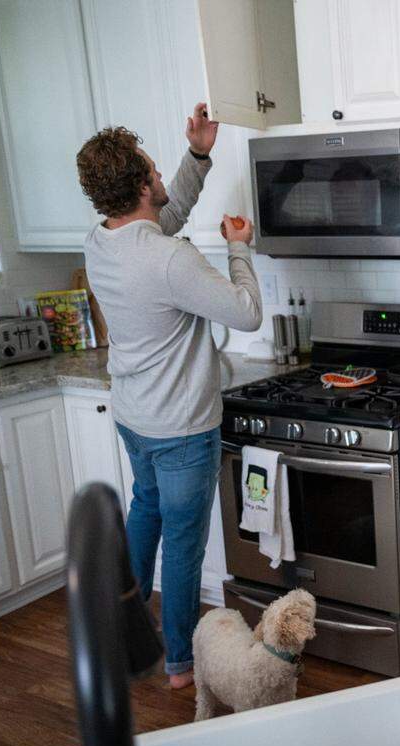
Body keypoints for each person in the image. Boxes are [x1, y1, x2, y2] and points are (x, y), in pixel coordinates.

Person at [76, 103, 262, 688]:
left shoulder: (101, 241)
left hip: (135, 417)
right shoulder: (170, 259)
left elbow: (165, 213)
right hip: (181, 427)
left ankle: (119, 637)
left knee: (146, 512)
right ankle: (181, 664)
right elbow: (248, 312)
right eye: (154, 170)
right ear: (139, 184)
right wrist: (238, 248)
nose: (161, 177)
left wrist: (198, 156)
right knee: (183, 547)